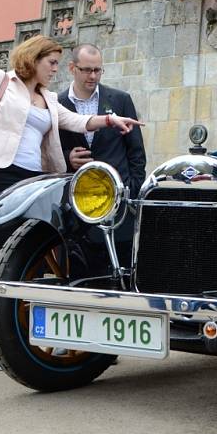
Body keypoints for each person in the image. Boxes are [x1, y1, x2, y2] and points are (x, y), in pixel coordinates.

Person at [0, 35, 142, 371]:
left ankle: (18, 345)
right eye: (52, 63)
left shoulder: (47, 97)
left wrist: (110, 120)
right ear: (33, 58)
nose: (56, 70)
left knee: (28, 261)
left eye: (57, 63)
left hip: (35, 180)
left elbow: (76, 121)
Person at [58, 43, 146, 268]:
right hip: (76, 200)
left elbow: (136, 150)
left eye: (98, 70)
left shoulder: (120, 99)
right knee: (79, 265)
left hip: (119, 201)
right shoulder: (57, 104)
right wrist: (68, 157)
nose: (93, 76)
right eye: (87, 70)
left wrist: (133, 188)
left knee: (120, 266)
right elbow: (48, 147)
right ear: (72, 68)